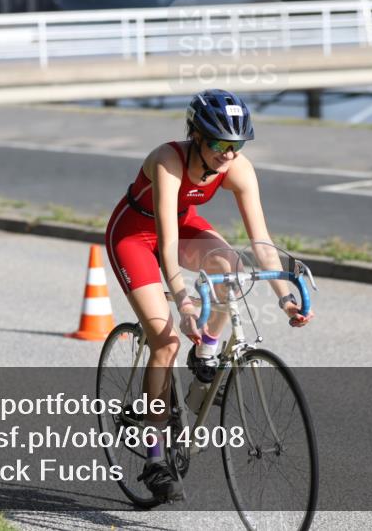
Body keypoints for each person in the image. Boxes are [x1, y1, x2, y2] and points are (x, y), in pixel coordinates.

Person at [104, 89, 311, 502]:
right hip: (134, 234)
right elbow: (164, 245)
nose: (227, 155)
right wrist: (182, 300)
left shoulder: (238, 168)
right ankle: (155, 457)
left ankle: (207, 353)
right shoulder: (167, 159)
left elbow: (262, 242)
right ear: (195, 135)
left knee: (232, 266)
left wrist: (284, 297)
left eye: (235, 146)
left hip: (184, 226)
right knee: (165, 341)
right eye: (218, 144)